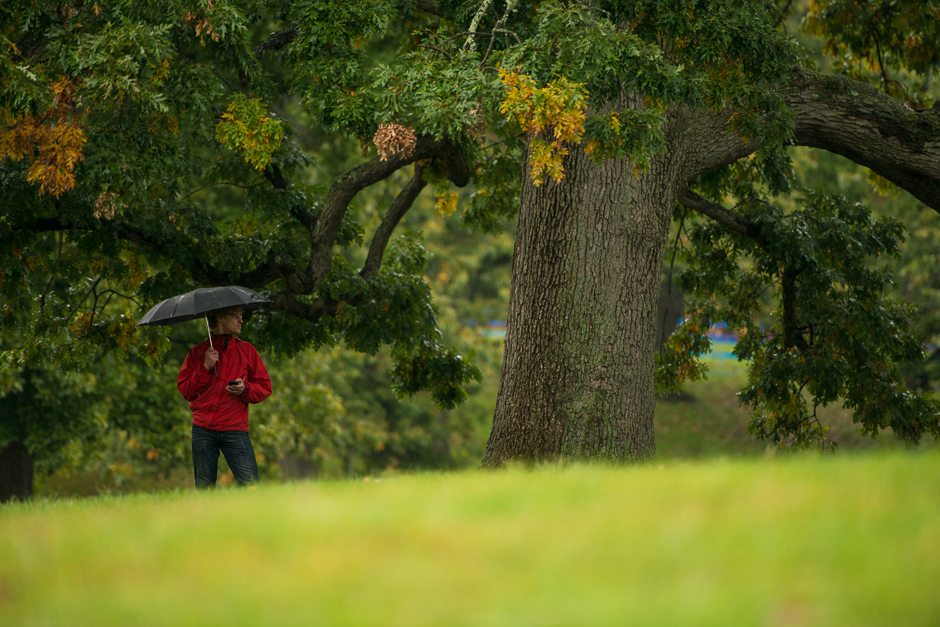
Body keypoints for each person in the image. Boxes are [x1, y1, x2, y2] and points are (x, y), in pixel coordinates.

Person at [177, 305, 272, 488]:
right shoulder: (198, 353)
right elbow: (186, 391)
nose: (241, 320)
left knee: (250, 485)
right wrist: (205, 367)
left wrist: (245, 388)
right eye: (236, 315)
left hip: (235, 428)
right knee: (204, 488)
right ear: (219, 316)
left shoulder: (247, 350)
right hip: (203, 429)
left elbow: (265, 387)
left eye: (241, 316)